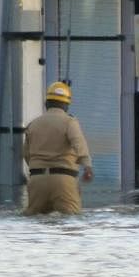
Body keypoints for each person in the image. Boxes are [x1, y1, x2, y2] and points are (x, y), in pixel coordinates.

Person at [22, 80, 93, 215]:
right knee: (72, 221)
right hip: (63, 180)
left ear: (46, 103)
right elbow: (79, 143)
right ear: (66, 105)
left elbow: (26, 154)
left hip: (37, 181)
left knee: (33, 220)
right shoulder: (69, 122)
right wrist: (87, 166)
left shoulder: (33, 124)